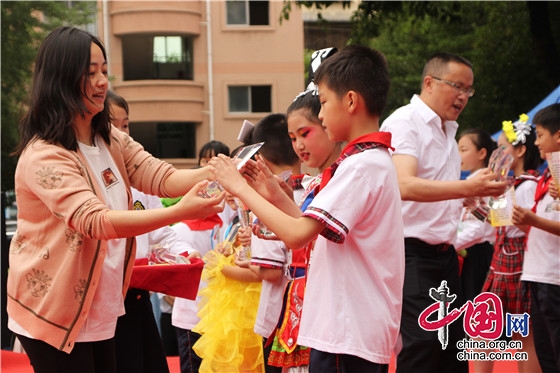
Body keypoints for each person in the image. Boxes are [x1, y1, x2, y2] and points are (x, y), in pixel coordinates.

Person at [6, 26, 223, 373]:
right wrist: (180, 211)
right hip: (54, 311)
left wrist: (218, 173)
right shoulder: (45, 155)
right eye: (90, 73)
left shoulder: (109, 140)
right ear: (61, 78)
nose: (102, 81)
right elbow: (98, 222)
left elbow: (160, 176)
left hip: (103, 306)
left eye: (104, 70)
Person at [209, 45, 405, 373]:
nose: (322, 113)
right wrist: (274, 194)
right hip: (348, 327)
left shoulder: (360, 166)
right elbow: (312, 228)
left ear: (352, 101)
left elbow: (298, 235)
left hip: (347, 329)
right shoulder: (366, 161)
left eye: (325, 102)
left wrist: (239, 187)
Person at [380, 52, 507, 373]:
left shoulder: (447, 132)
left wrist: (463, 201)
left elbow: (432, 189)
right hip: (411, 253)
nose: (463, 96)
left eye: (469, 90)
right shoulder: (404, 122)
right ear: (429, 83)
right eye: (457, 86)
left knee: (451, 348)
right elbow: (404, 186)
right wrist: (468, 189)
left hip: (446, 255)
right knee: (423, 344)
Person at [107, 90, 198, 371]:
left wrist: (186, 253)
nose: (122, 133)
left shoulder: (140, 182)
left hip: (138, 295)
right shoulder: (87, 176)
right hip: (105, 300)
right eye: (112, 125)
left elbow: (162, 232)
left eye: (126, 125)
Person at [475, 114, 543, 373]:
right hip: (500, 261)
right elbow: (498, 222)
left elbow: (528, 228)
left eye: (503, 147)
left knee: (522, 334)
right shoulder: (508, 184)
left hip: (518, 262)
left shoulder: (529, 185)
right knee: (484, 329)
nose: (498, 152)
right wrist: (476, 207)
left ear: (521, 150)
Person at [168, 139, 234, 373]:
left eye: (215, 160)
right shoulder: (178, 231)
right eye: (205, 160)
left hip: (219, 314)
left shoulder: (228, 221)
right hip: (191, 315)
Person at [512, 103, 560, 372]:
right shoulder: (546, 176)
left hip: (553, 275)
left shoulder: (538, 179)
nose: (537, 142)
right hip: (537, 273)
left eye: (540, 135)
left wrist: (531, 221)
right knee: (545, 353)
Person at [455, 128, 497, 302]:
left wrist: (449, 244)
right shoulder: (469, 181)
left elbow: (482, 225)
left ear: (482, 153)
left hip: (478, 252)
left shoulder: (488, 182)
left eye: (463, 150)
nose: (459, 155)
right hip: (466, 248)